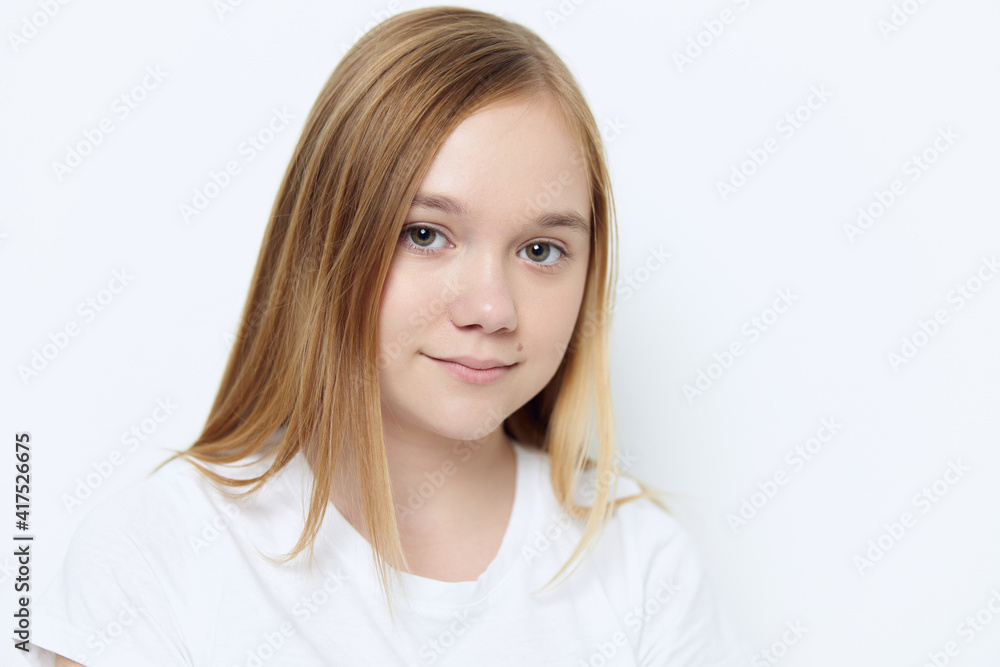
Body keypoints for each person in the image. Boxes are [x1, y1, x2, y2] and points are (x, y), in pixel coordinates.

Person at [25, 6, 748, 665]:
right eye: (426, 233)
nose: (492, 307)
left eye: (540, 250)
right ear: (326, 242)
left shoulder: (644, 566)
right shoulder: (161, 553)